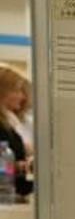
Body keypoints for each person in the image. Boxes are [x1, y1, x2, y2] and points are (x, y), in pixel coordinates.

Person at [0, 68, 33, 196]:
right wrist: (22, 167)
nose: (23, 96)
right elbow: (3, 168)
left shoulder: (9, 124)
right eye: (17, 90)